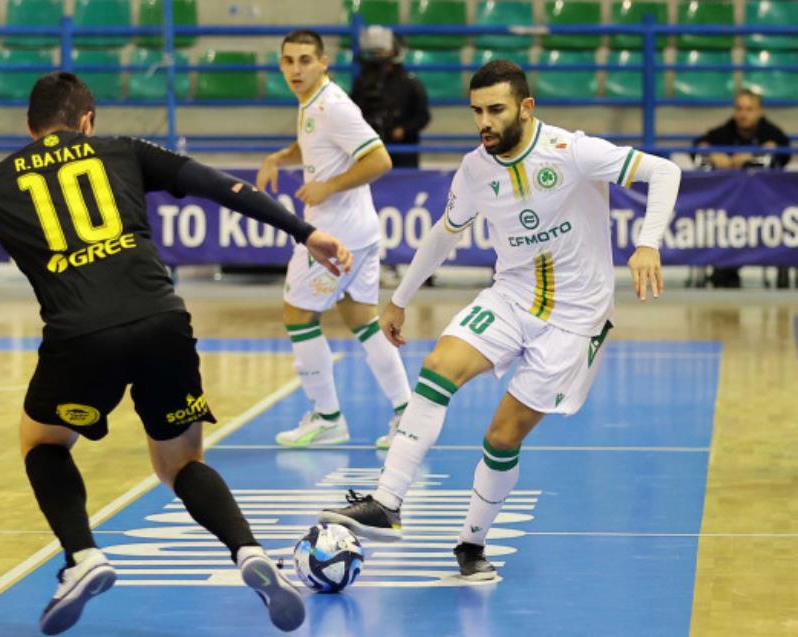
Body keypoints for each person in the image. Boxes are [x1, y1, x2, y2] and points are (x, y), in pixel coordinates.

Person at [0, 72, 354, 635]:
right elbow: (223, 187)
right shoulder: (123, 150)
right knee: (181, 464)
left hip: (80, 337)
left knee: (42, 441)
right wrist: (303, 232)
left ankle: (84, 556)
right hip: (162, 322)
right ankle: (249, 552)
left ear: (30, 128)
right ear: (88, 121)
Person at [320, 60, 681, 580]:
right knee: (439, 365)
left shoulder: (572, 151)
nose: (484, 121)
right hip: (512, 296)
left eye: (496, 110)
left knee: (501, 437)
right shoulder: (475, 169)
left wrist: (648, 243)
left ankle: (471, 544)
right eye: (477, 112)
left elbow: (664, 172)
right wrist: (398, 298)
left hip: (576, 320)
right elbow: (445, 233)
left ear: (526, 108)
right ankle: (387, 500)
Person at [256, 29, 412, 449]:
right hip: (358, 233)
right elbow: (312, 143)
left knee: (297, 315)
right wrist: (279, 157)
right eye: (288, 60)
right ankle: (406, 414)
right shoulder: (313, 104)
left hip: (334, 236)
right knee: (362, 321)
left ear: (324, 62)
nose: (296, 69)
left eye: (305, 60)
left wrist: (329, 187)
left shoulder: (332, 106)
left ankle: (327, 419)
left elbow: (379, 158)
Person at [693, 89, 792, 288]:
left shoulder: (771, 133)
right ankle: (725, 277)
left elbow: (782, 151)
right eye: (739, 108)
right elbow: (698, 145)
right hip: (730, 213)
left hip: (764, 211)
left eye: (749, 109)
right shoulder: (726, 131)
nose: (743, 114)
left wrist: (751, 157)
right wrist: (711, 153)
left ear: (759, 111)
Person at [350, 25, 431, 169]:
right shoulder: (363, 81)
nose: (378, 56)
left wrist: (403, 129)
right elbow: (353, 110)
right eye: (375, 52)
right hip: (371, 150)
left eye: (382, 51)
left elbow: (422, 116)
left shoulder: (410, 83)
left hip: (402, 152)